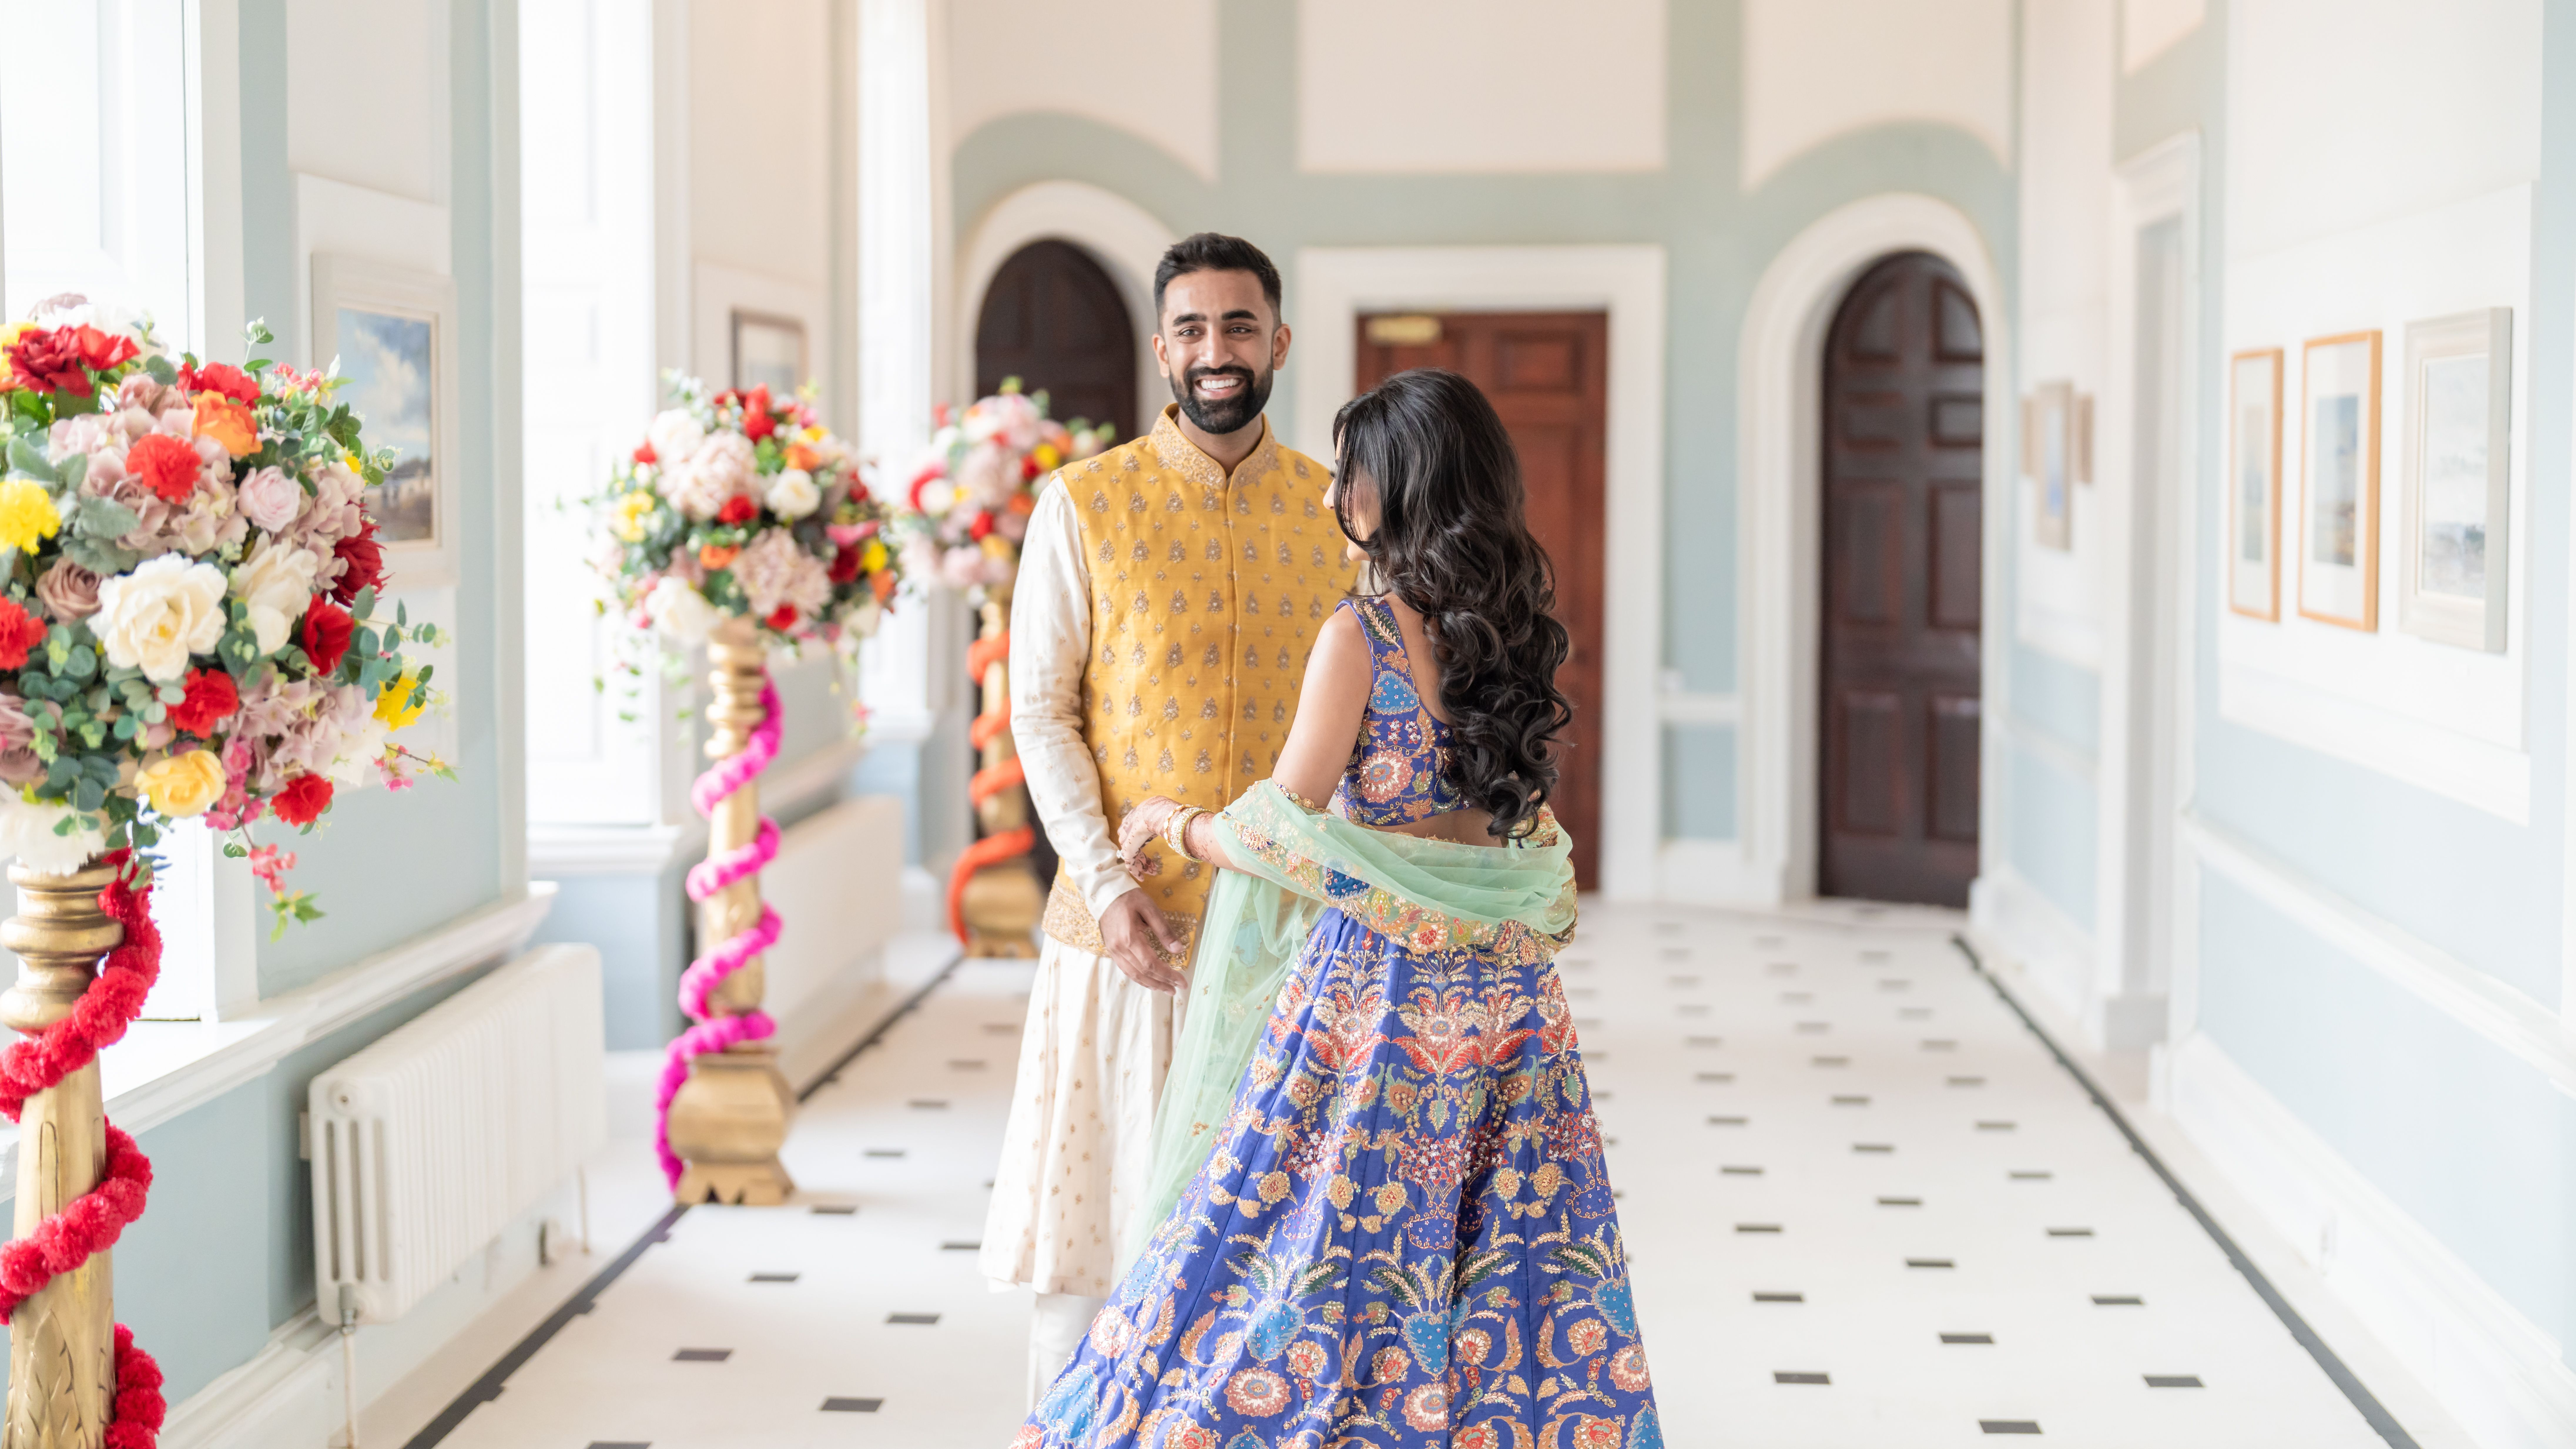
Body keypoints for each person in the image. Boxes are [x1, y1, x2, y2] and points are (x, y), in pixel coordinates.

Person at [1012, 369, 1660, 1448]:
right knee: (1501, 1249)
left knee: (1313, 1241)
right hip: (1509, 1004)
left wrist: (1174, 826)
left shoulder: (1361, 633)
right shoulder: (1514, 629)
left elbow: (1283, 827)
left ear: (1394, 487)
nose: (1333, 496)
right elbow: (1511, 825)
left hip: (1383, 997)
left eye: (1351, 472)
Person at [983, 232, 1359, 1402]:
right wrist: (1103, 877)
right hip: (1122, 933)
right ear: (1161, 349)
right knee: (1090, 1255)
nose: (1215, 350)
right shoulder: (1083, 506)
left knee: (1269, 1257)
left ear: (1278, 342)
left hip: (1285, 943)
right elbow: (1039, 713)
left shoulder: (1336, 511)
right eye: (1191, 329)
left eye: (1238, 326)